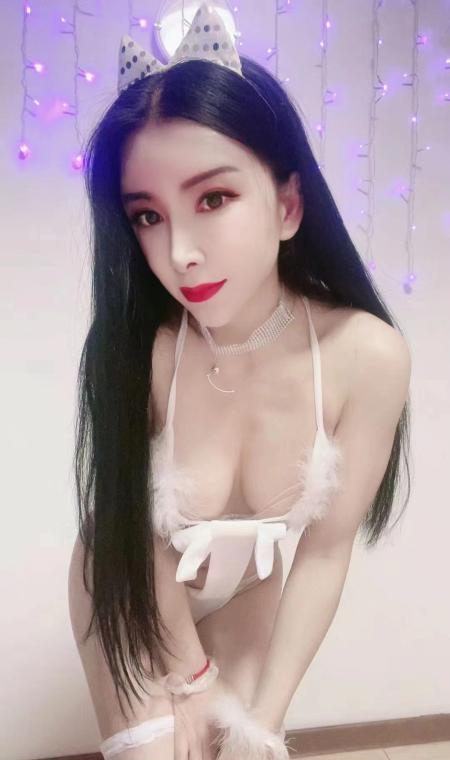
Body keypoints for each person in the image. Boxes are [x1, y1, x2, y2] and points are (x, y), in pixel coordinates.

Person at [67, 3, 412, 759]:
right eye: (147, 216)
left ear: (287, 205)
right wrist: (191, 677)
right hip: (127, 575)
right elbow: (136, 532)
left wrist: (267, 720)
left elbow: (323, 553)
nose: (179, 253)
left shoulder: (366, 356)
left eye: (213, 199)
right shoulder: (145, 349)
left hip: (250, 592)